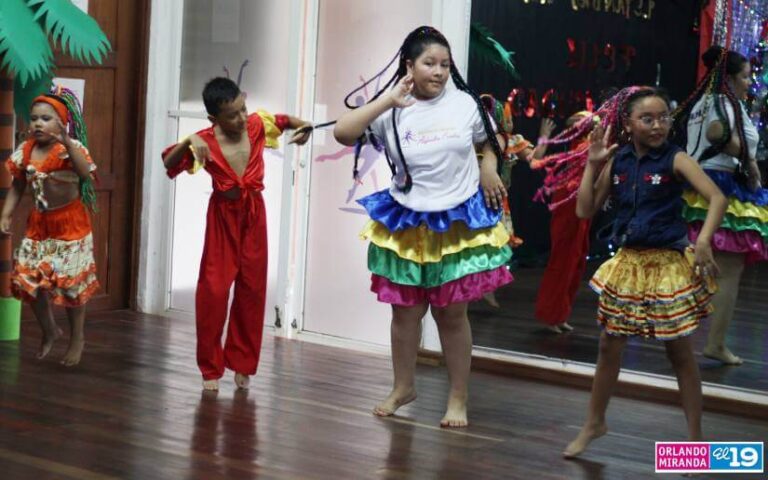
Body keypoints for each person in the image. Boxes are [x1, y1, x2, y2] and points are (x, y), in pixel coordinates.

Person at [333, 26, 512, 427]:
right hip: (406, 221)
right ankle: (403, 387)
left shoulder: (465, 104)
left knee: (451, 315)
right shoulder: (392, 108)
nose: (439, 72)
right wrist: (385, 101)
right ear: (409, 66)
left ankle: (458, 397)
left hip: (455, 222)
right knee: (405, 315)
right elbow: (344, 133)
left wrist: (486, 166)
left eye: (445, 64)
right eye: (429, 63)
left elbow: (493, 143)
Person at [562, 87, 727, 458]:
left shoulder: (676, 158)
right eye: (647, 119)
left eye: (664, 117)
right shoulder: (617, 160)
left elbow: (717, 197)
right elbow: (585, 211)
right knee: (609, 346)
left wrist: (702, 241)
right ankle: (595, 423)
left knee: (680, 352)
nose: (657, 125)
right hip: (629, 263)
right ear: (628, 123)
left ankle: (696, 441)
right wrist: (592, 164)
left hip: (667, 264)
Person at [162, 77, 312, 391]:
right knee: (213, 293)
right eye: (233, 115)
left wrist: (304, 126)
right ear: (214, 119)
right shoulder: (205, 140)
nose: (242, 118)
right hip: (222, 220)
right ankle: (210, 369)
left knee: (252, 292)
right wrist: (188, 140)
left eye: (243, 109)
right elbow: (169, 162)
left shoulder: (256, 126)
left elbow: (285, 121)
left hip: (254, 217)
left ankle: (243, 365)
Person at [674, 46, 768, 366]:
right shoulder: (721, 102)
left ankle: (683, 338)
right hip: (720, 182)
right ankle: (712, 342)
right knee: (728, 269)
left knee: (704, 266)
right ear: (728, 78)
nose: (748, 82)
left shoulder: (707, 101)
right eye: (744, 77)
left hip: (702, 181)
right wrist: (749, 159)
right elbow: (717, 133)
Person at [1, 86, 100, 366]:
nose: (38, 124)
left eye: (46, 118)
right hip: (39, 224)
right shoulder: (27, 150)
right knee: (27, 280)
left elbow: (85, 174)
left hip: (71, 225)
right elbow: (18, 185)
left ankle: (77, 337)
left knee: (71, 286)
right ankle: (49, 330)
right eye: (34, 119)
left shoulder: (72, 150)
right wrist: (6, 214)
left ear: (62, 122)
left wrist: (69, 144)